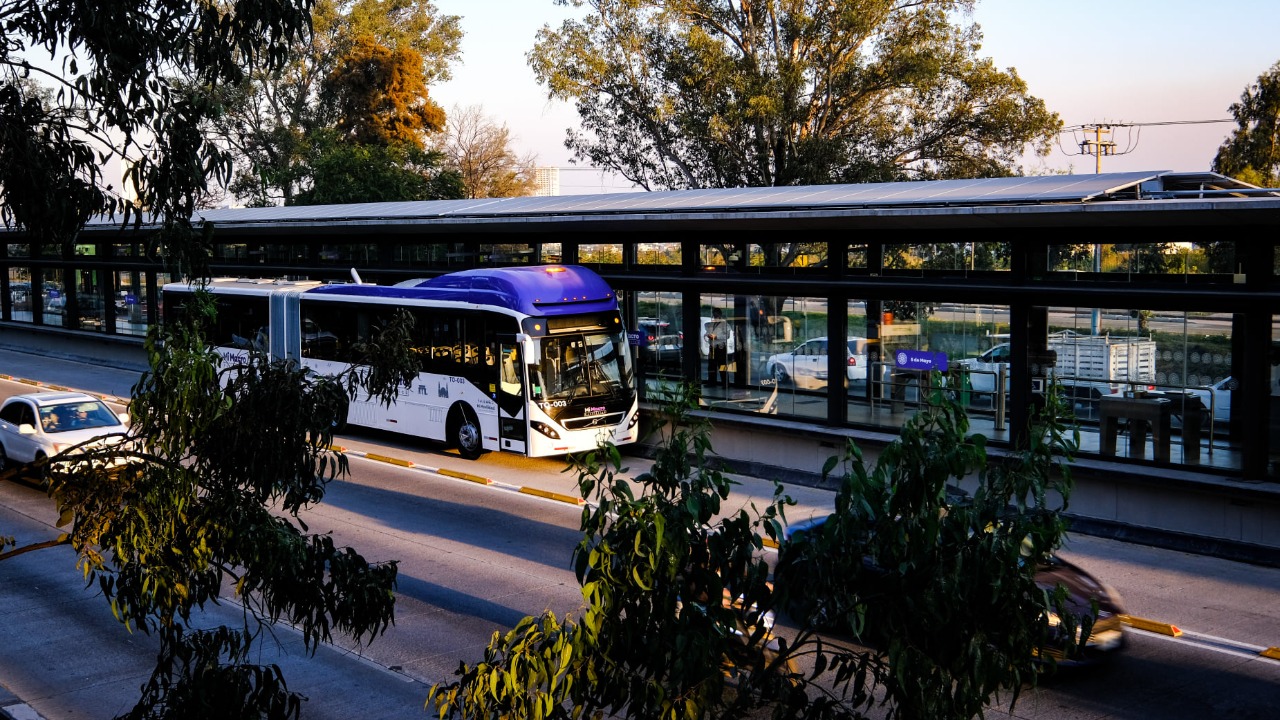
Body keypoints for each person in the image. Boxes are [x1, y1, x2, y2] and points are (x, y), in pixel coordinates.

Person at [705, 308, 730, 386]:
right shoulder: (712, 323)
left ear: (720, 315)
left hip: (720, 347)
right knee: (711, 365)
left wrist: (717, 337)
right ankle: (711, 382)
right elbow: (707, 332)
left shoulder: (724, 324)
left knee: (722, 365)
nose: (715, 316)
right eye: (714, 314)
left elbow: (727, 336)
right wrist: (708, 335)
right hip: (712, 346)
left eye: (716, 314)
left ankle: (725, 383)